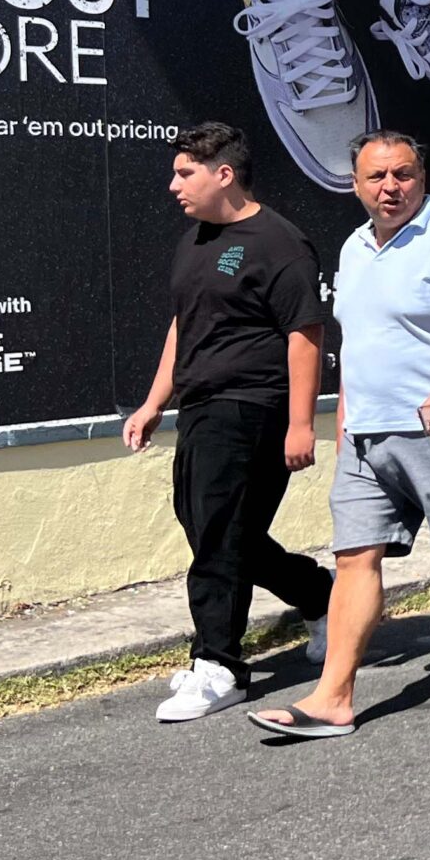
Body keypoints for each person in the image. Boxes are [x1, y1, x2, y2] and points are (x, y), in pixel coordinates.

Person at [249, 130, 430, 739]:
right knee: (355, 557)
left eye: (403, 175)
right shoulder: (356, 246)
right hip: (365, 434)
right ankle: (334, 698)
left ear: (422, 177)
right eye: (376, 177)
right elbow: (360, 343)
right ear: (356, 184)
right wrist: (343, 419)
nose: (390, 188)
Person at [124, 122, 335, 723]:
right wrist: (153, 401)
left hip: (254, 408)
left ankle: (219, 666)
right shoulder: (194, 241)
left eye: (184, 172)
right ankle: (322, 597)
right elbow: (182, 325)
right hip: (200, 407)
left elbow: (305, 335)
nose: (173, 185)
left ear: (224, 174)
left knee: (219, 536)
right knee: (213, 528)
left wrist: (301, 424)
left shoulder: (280, 242)